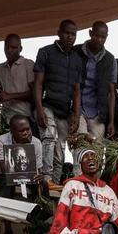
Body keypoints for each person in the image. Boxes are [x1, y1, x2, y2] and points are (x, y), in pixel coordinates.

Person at [34, 20, 86, 183]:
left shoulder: (77, 59)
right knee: (49, 138)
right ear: (59, 33)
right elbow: (38, 83)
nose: (70, 37)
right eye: (67, 33)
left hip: (65, 111)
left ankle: (55, 184)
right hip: (47, 105)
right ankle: (47, 178)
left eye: (73, 34)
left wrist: (76, 116)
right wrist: (39, 109)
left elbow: (77, 91)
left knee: (60, 149)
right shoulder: (46, 52)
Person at [75, 22, 118, 141]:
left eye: (103, 37)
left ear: (106, 37)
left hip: (98, 113)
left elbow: (111, 93)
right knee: (80, 144)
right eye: (96, 36)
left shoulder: (110, 60)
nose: (99, 40)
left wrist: (111, 121)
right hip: (77, 109)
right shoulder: (76, 51)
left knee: (97, 149)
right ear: (90, 33)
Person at [0, 34, 35, 128]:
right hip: (5, 117)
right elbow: (0, 89)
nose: (9, 50)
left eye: (13, 47)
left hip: (24, 117)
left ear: (20, 48)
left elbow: (34, 94)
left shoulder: (28, 64)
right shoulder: (0, 68)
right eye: (7, 47)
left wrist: (10, 96)